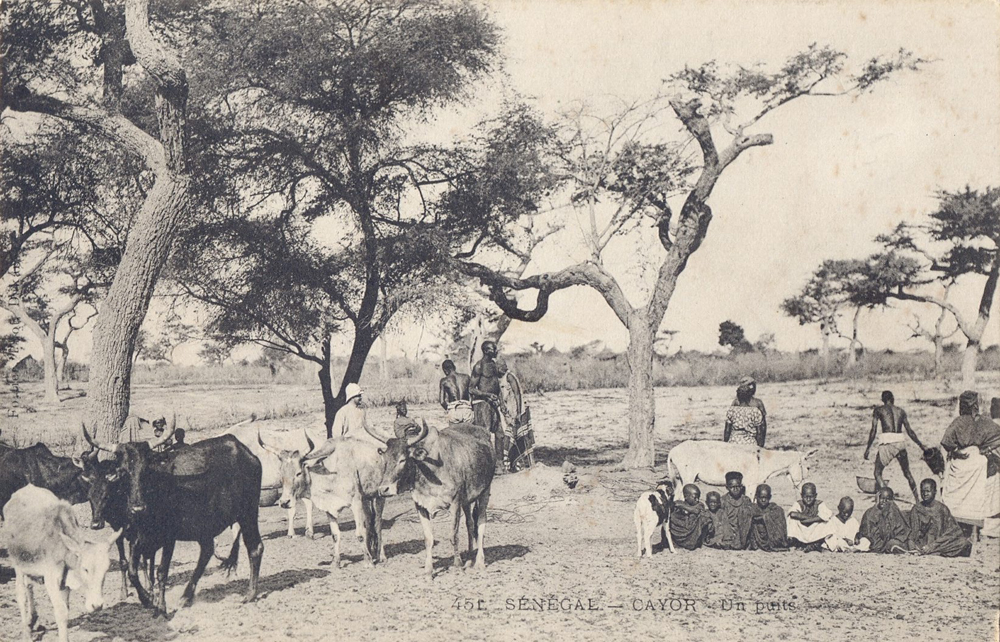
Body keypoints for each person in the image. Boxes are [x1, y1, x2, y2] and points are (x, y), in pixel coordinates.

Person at [939, 390, 1000, 523]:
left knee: (954, 496)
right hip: (978, 461)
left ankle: (955, 521)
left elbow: (945, 442)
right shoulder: (984, 421)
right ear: (975, 405)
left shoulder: (958, 422)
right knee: (976, 497)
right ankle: (975, 529)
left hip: (962, 461)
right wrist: (987, 449)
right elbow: (998, 436)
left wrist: (955, 452)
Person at [864, 390, 928, 502]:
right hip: (900, 442)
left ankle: (887, 496)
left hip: (887, 442)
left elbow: (873, 431)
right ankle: (917, 500)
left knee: (877, 473)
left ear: (883, 400)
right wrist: (922, 446)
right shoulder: (901, 411)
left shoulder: (878, 410)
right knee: (907, 473)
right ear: (893, 399)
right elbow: (910, 431)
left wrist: (868, 448)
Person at [471, 340, 511, 473]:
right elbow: (471, 389)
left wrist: (502, 403)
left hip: (494, 403)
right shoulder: (479, 366)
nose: (496, 351)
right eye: (494, 349)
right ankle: (484, 466)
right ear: (487, 351)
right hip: (482, 404)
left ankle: (499, 465)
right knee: (485, 434)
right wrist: (486, 395)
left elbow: (497, 386)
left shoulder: (493, 365)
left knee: (500, 434)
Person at [908, 478, 972, 558]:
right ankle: (930, 552)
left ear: (935, 491)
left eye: (928, 491)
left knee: (965, 543)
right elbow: (914, 531)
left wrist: (933, 545)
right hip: (923, 544)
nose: (925, 494)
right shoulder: (917, 509)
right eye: (922, 491)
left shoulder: (942, 509)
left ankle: (934, 551)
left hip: (939, 543)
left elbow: (953, 531)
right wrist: (912, 544)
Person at [857, 487, 911, 554]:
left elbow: (901, 531)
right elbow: (869, 534)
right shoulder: (870, 513)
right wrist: (876, 509)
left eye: (887, 499)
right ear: (878, 499)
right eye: (882, 498)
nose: (884, 501)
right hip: (874, 542)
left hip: (890, 542)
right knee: (865, 543)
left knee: (896, 543)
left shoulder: (893, 511)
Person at [786, 482, 834, 551]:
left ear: (815, 495)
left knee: (828, 523)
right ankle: (798, 543)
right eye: (806, 497)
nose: (808, 499)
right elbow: (792, 514)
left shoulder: (819, 504)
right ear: (801, 495)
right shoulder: (799, 503)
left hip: (814, 529)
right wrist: (808, 518)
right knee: (792, 520)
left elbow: (826, 516)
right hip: (802, 529)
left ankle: (815, 543)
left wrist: (809, 520)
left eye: (811, 497)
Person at [669, 484, 714, 550]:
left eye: (698, 497)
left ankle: (701, 541)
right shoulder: (680, 502)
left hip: (693, 533)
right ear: (686, 496)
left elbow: (696, 511)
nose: (697, 499)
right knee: (670, 518)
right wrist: (671, 497)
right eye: (694, 497)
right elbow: (670, 506)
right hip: (680, 530)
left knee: (705, 518)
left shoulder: (699, 505)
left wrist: (682, 507)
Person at [725, 377, 767, 447]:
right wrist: (761, 445)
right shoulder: (758, 403)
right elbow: (762, 426)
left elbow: (727, 429)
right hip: (751, 441)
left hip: (734, 441)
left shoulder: (735, 404)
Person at [718, 471, 753, 550]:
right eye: (732, 487)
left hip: (742, 532)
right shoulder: (723, 500)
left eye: (738, 486)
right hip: (727, 532)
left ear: (741, 486)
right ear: (727, 487)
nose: (735, 489)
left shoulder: (746, 500)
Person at [747, 484, 788, 552]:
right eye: (761, 497)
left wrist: (764, 517)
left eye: (766, 498)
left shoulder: (775, 509)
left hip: (771, 540)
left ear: (770, 497)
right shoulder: (752, 508)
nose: (763, 500)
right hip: (757, 539)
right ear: (756, 497)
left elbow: (780, 527)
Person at [439, 360, 474, 424]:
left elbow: (442, 401)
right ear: (454, 367)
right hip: (466, 408)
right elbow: (472, 394)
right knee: (468, 433)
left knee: (454, 433)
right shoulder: (466, 377)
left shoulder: (444, 381)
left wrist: (449, 409)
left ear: (445, 370)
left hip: (453, 410)